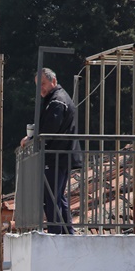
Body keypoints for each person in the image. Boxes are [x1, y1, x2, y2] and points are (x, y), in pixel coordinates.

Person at [20, 68, 83, 234]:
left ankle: (57, 233)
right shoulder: (56, 99)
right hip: (60, 156)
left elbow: (50, 129)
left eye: (43, 84)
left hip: (57, 157)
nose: (41, 88)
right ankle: (66, 232)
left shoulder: (57, 101)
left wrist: (32, 139)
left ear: (53, 81)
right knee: (57, 196)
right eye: (37, 85)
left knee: (50, 197)